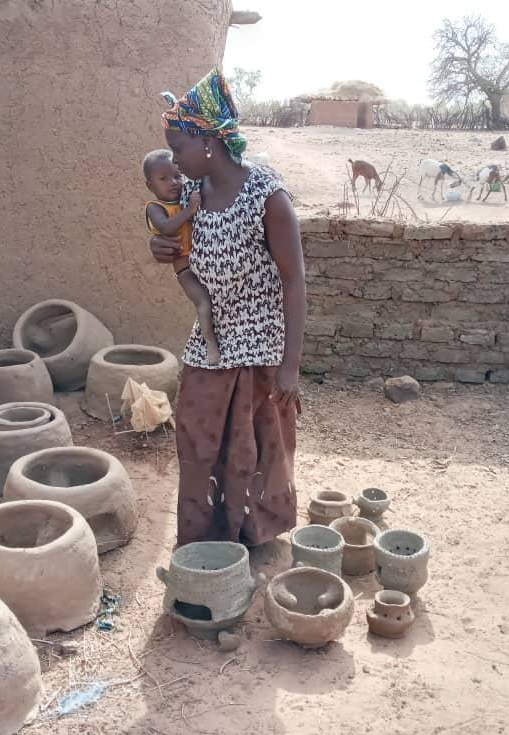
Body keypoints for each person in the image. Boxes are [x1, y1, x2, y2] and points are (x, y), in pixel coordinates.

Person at [148, 68, 306, 547]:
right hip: (212, 342)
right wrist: (165, 252)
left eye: (178, 148)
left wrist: (290, 366)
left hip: (260, 348)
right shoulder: (193, 196)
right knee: (197, 440)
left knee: (252, 449)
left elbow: (295, 280)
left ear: (209, 142)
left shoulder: (267, 196)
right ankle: (207, 537)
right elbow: (185, 258)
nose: (173, 161)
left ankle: (251, 539)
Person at [142, 149, 221, 365]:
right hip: (185, 269)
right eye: (163, 179)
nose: (173, 182)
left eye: (177, 176)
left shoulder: (188, 195)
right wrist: (190, 210)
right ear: (150, 186)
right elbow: (167, 228)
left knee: (215, 302)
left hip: (204, 265)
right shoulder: (155, 208)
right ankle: (210, 344)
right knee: (203, 304)